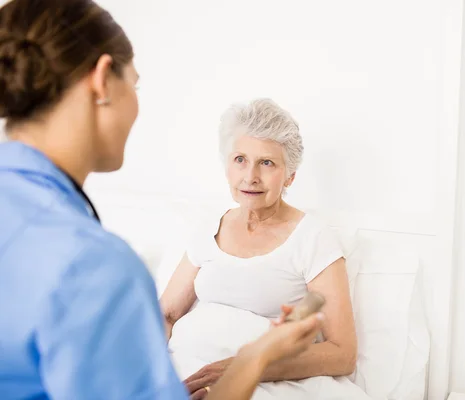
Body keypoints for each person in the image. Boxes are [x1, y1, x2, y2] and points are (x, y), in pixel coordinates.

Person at [0, 0, 323, 399]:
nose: (251, 175)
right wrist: (256, 357)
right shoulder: (92, 265)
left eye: (266, 163)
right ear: (103, 80)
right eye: (134, 85)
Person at [160, 99, 358, 399]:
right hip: (185, 373)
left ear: (290, 175)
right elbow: (167, 315)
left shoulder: (313, 238)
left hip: (264, 382)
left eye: (267, 163)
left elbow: (342, 353)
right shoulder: (208, 229)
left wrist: (243, 368)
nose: (250, 175)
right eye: (240, 159)